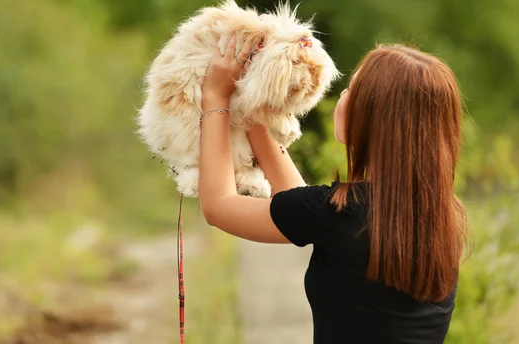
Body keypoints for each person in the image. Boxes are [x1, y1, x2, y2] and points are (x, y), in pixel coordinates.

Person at [198, 33, 468, 344]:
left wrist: (216, 97)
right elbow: (295, 204)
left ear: (373, 117)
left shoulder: (342, 214)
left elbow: (218, 205)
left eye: (351, 90)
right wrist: (253, 101)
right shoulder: (441, 217)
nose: (342, 96)